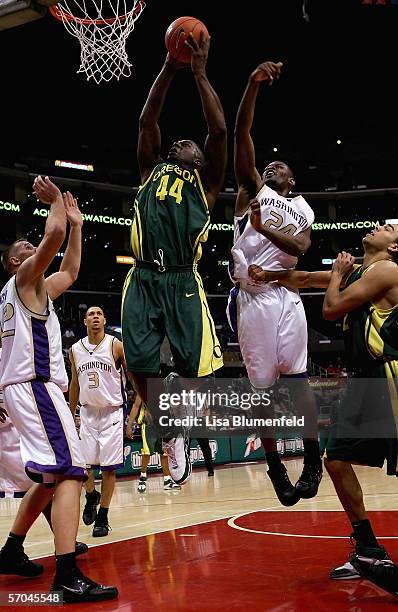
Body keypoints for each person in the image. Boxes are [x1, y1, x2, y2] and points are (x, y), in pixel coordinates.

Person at [249, 223, 398, 597]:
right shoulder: (359, 270)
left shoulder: (387, 270)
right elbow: (302, 276)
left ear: (394, 246)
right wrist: (268, 275)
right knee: (336, 460)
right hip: (366, 382)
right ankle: (368, 549)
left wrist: (335, 276)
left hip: (389, 375)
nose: (379, 226)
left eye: (388, 227)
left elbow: (331, 308)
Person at [0, 177, 117, 602]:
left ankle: (12, 549)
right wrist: (54, 206)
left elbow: (69, 269)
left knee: (49, 477)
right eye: (23, 252)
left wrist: (79, 227)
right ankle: (66, 574)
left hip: (24, 389)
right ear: (15, 264)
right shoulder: (24, 282)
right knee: (70, 471)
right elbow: (52, 237)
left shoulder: (33, 289)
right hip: (35, 387)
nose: (32, 252)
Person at [122, 32, 227, 485]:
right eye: (180, 141)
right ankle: (167, 426)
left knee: (199, 372)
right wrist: (168, 66)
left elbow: (220, 130)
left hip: (184, 280)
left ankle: (179, 423)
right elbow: (148, 118)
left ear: (200, 158)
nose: (186, 141)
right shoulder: (150, 169)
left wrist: (200, 74)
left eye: (193, 143)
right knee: (139, 365)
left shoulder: (207, 184)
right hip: (144, 277)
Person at [228, 59, 322, 506]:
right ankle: (274, 468)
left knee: (299, 383)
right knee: (261, 391)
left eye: (280, 167)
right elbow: (241, 136)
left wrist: (265, 230)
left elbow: (301, 247)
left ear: (293, 180)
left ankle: (313, 458)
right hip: (253, 299)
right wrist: (252, 85)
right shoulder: (251, 193)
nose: (271, 168)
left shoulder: (303, 209)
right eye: (269, 166)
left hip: (287, 295)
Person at [69, 306, 127, 537]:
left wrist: (136, 410)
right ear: (85, 321)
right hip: (87, 413)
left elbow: (130, 376)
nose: (95, 317)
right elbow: (74, 383)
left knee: (109, 469)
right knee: (84, 468)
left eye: (99, 314)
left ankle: (102, 516)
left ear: (104, 320)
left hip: (112, 413)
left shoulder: (116, 345)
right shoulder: (75, 349)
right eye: (91, 314)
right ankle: (91, 495)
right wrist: (69, 413)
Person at [126, 392, 181, 492]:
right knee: (147, 452)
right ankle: (142, 478)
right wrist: (129, 425)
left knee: (164, 452)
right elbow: (136, 405)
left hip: (162, 423)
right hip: (147, 425)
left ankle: (167, 480)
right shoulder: (143, 389)